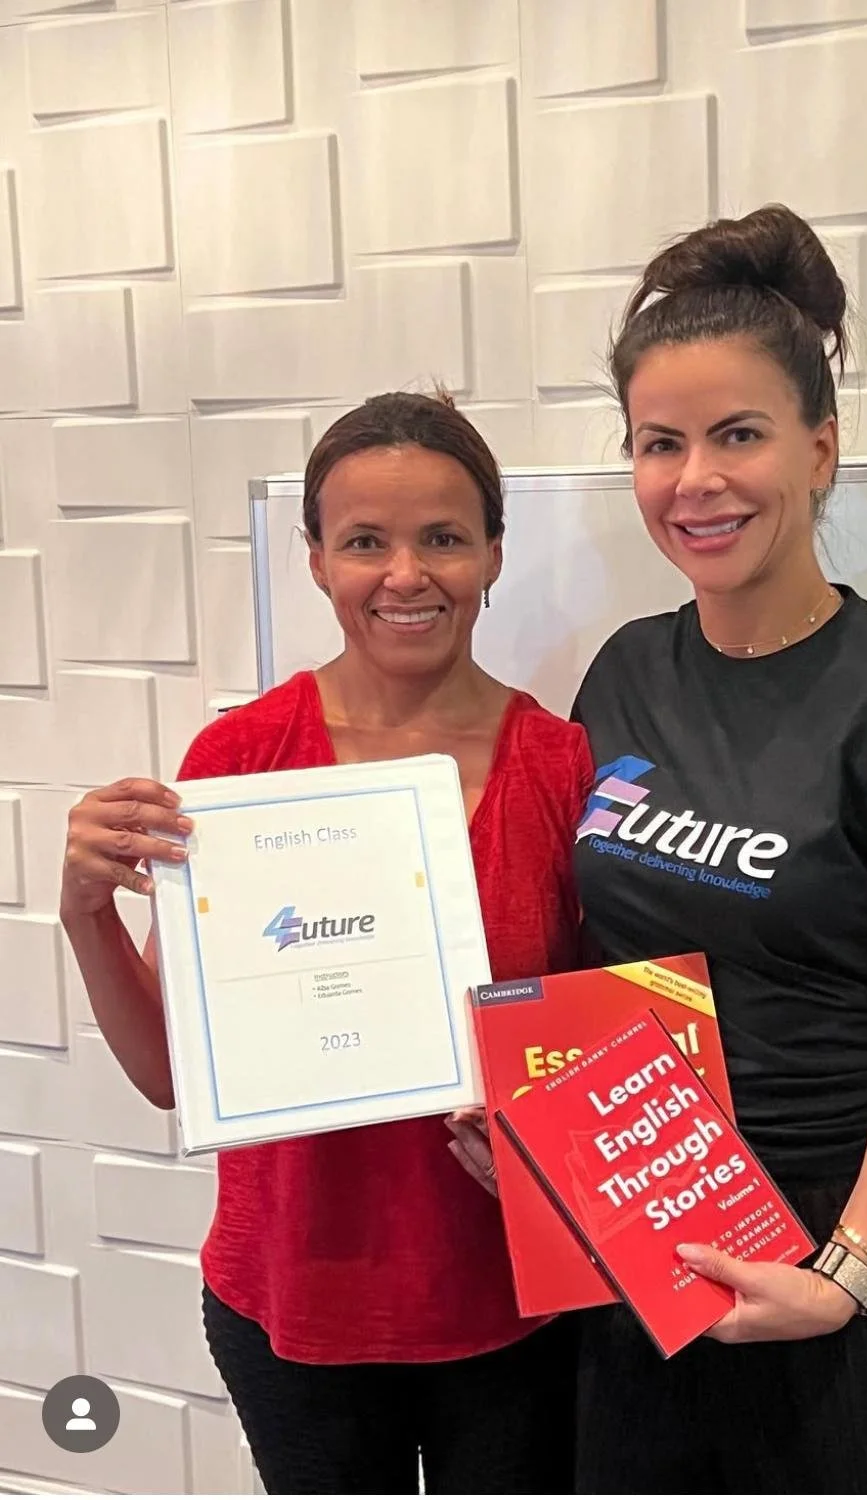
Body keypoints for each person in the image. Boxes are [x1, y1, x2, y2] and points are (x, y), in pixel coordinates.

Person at [569, 205, 867, 1493]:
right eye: (660, 444)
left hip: (847, 1284)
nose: (695, 480)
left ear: (821, 449)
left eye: (739, 436)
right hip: (649, 1245)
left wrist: (846, 1269)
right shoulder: (623, 674)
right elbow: (596, 951)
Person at [58, 392, 592, 1495]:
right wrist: (84, 913)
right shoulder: (240, 759)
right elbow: (170, 1074)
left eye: (444, 537)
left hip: (510, 1306)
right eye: (364, 542)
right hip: (290, 1305)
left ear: (495, 551)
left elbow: (587, 1057)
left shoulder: (560, 765)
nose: (406, 574)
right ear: (314, 559)